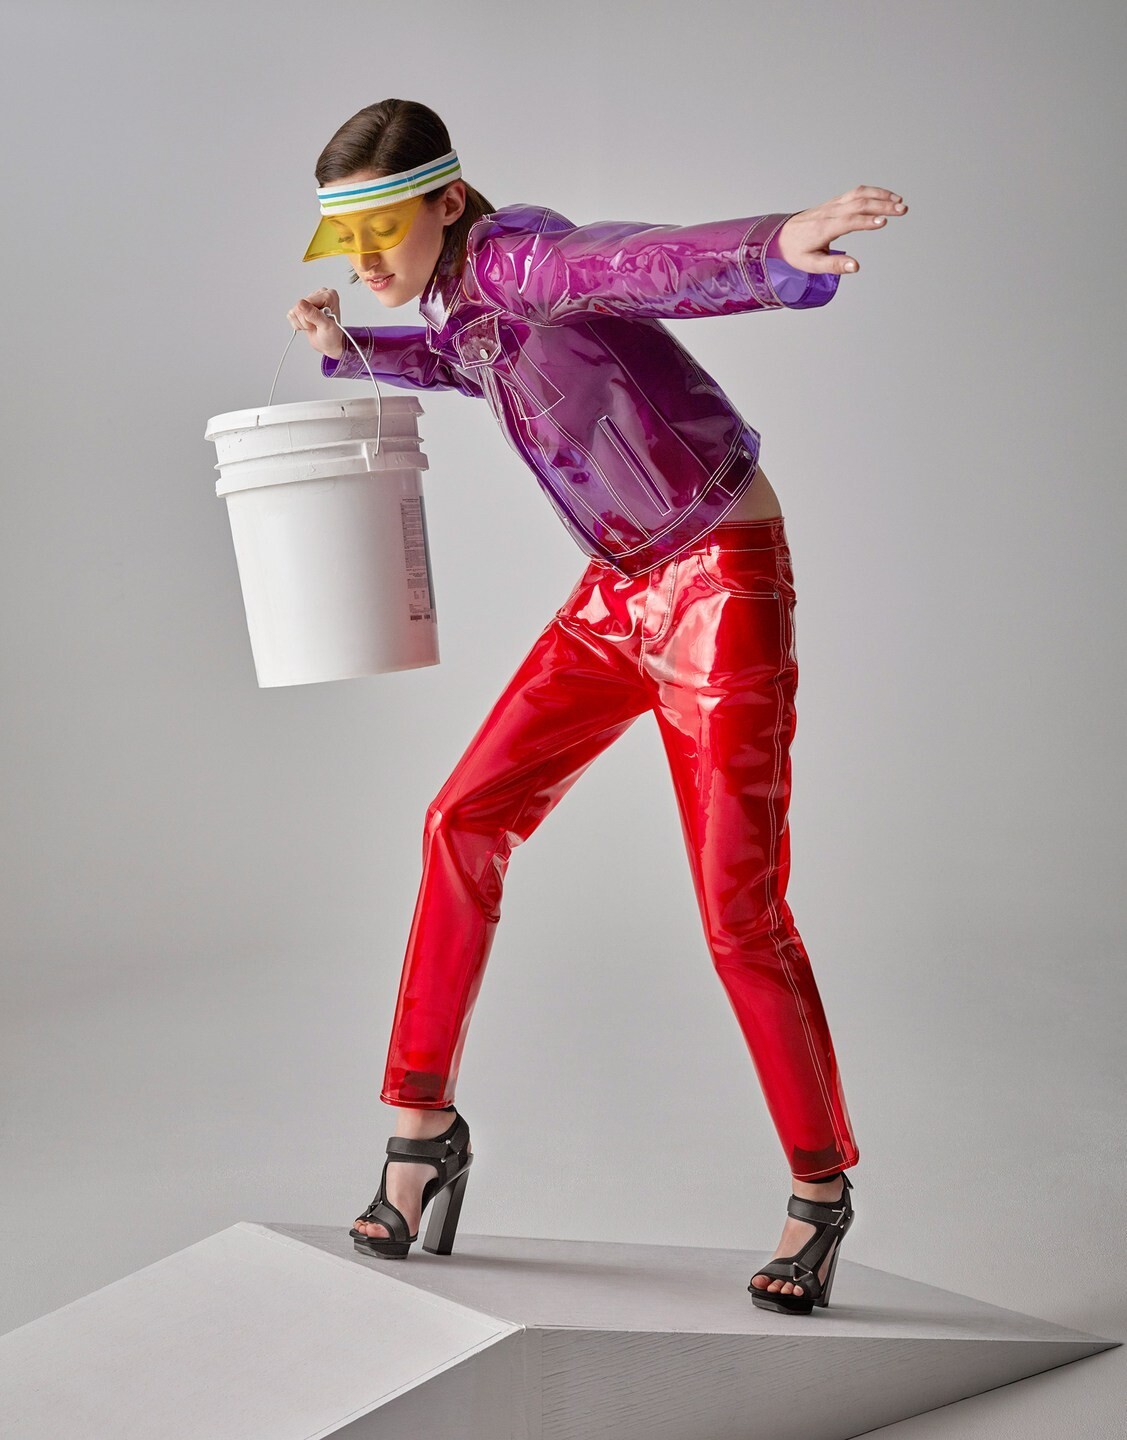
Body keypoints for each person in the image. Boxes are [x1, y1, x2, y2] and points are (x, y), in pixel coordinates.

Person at [287, 97, 907, 1313]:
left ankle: (818, 1187)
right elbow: (464, 362)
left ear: (447, 201)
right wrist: (350, 347)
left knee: (736, 915)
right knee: (461, 820)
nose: (363, 261)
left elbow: (639, 263)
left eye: (379, 232)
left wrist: (771, 249)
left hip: (717, 587)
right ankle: (420, 1130)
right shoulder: (463, 303)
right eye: (341, 242)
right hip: (617, 594)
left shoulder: (522, 259)